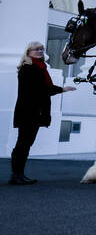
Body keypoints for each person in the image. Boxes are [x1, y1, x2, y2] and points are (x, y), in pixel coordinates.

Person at [10, 42, 76, 185]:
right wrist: (61, 89)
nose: (40, 51)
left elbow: (44, 88)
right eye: (36, 49)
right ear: (29, 52)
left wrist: (61, 89)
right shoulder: (28, 68)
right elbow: (39, 89)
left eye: (42, 49)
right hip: (28, 111)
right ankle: (16, 175)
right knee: (23, 144)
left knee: (26, 143)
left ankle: (19, 174)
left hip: (35, 111)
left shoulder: (40, 67)